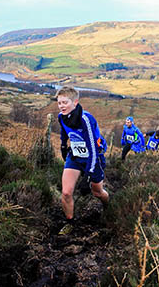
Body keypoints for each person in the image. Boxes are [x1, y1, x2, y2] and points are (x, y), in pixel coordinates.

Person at [56, 86, 109, 235]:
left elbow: (92, 148)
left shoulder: (86, 119)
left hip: (94, 158)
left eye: (65, 102)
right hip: (75, 157)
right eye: (59, 103)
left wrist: (88, 175)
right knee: (66, 192)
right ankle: (70, 222)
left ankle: (107, 206)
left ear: (75, 102)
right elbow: (63, 131)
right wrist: (63, 145)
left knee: (97, 192)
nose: (61, 106)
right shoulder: (61, 116)